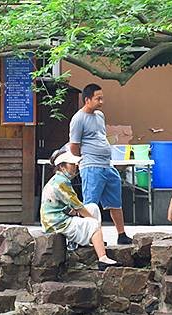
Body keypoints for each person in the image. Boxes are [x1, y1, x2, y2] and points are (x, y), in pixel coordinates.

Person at [69, 83, 133, 245]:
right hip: (91, 166)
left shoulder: (99, 115)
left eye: (102, 98)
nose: (101, 102)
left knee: (115, 201)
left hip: (107, 164)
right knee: (91, 204)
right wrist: (83, 160)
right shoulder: (78, 119)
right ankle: (92, 237)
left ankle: (122, 234)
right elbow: (74, 146)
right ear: (87, 100)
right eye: (98, 99)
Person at [40, 146, 120, 271]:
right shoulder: (61, 183)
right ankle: (103, 258)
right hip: (56, 223)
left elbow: (70, 206)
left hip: (61, 217)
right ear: (62, 166)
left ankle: (95, 240)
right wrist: (93, 222)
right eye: (72, 164)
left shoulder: (59, 180)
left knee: (93, 207)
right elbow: (78, 206)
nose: (75, 166)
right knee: (92, 223)